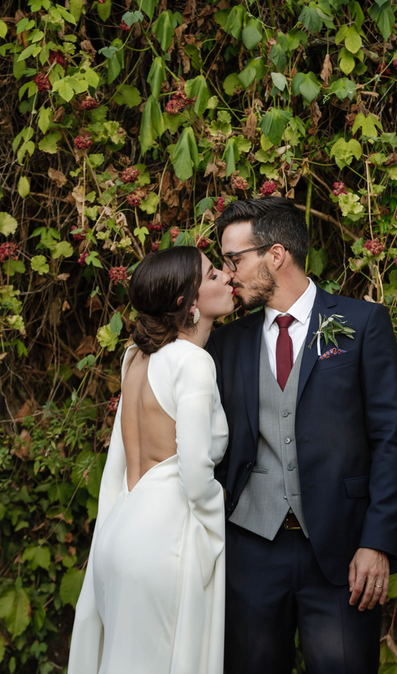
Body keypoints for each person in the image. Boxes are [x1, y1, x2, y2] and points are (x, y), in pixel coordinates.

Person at [208, 196, 397, 674]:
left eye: (234, 259)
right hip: (250, 552)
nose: (228, 274)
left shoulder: (362, 324)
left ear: (276, 255)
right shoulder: (226, 342)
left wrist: (377, 542)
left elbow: (390, 440)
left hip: (343, 553)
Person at [67, 246, 234, 674]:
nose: (227, 277)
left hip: (119, 532)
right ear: (187, 302)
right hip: (164, 542)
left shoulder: (135, 358)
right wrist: (216, 514)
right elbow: (194, 473)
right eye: (213, 275)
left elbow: (118, 464)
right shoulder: (192, 362)